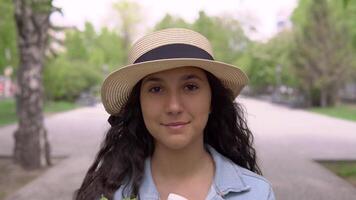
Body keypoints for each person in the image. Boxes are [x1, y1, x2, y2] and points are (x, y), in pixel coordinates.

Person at [75, 28, 275, 200]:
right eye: (156, 89)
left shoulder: (257, 193)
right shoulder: (111, 193)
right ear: (139, 104)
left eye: (190, 86)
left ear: (212, 99)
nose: (173, 106)